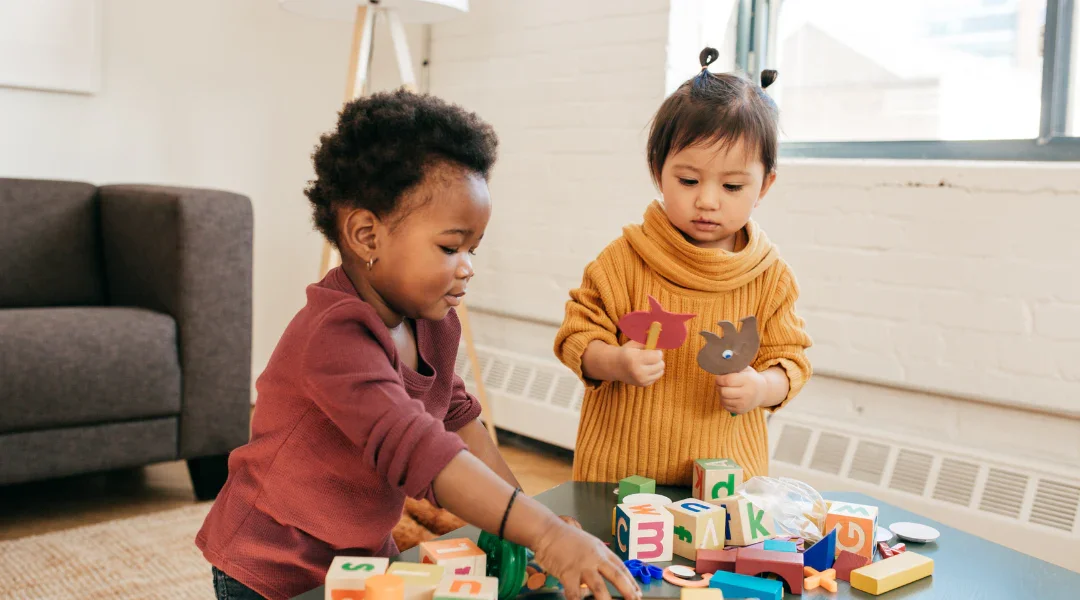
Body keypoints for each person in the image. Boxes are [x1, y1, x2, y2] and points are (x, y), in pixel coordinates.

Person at [197, 89, 640, 600]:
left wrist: (528, 519)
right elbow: (420, 451)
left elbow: (456, 418)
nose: (468, 265)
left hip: (363, 556)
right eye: (450, 247)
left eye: (473, 249)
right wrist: (543, 530)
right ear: (367, 236)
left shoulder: (433, 320)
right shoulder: (334, 337)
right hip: (274, 568)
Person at [554, 48, 813, 487]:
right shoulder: (623, 260)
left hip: (726, 482)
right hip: (620, 476)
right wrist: (616, 361)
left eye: (732, 185)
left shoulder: (770, 277)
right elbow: (576, 337)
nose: (708, 200)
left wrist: (761, 389)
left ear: (765, 185)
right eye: (688, 180)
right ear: (659, 171)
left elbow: (790, 361)